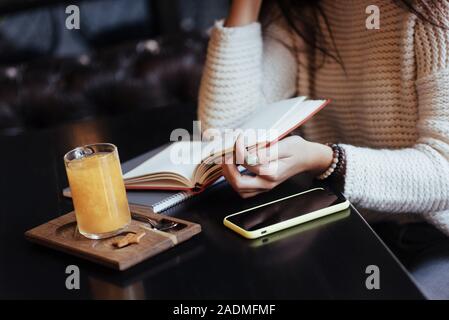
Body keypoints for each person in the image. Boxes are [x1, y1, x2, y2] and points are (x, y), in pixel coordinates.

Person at [198, 0, 449, 299]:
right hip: (341, 222)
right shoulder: (301, 11)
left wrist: (326, 160)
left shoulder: (432, 13)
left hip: (433, 235)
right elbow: (225, 131)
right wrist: (246, 5)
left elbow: (443, 170)